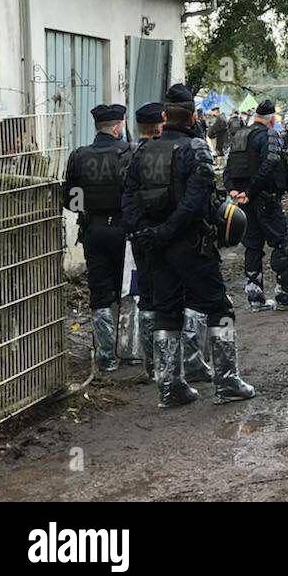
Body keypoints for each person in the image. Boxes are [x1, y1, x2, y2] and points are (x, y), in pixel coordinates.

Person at [122, 83, 255, 408]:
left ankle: (170, 387)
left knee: (167, 311)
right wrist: (168, 230)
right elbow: (197, 202)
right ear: (193, 115)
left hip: (156, 247)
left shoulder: (141, 151)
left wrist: (146, 232)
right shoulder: (196, 149)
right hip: (191, 245)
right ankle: (226, 383)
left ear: (165, 116)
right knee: (219, 308)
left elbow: (127, 198)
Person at [224, 99, 288, 312]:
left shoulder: (240, 135)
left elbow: (228, 168)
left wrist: (233, 191)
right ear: (272, 119)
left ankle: (256, 298)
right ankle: (285, 296)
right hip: (265, 199)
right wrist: (250, 190)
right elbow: (270, 162)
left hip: (244, 202)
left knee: (252, 246)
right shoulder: (269, 134)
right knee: (283, 243)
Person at [63, 104, 131, 372]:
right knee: (127, 288)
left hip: (94, 231)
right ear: (116, 127)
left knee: (100, 292)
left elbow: (70, 199)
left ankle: (105, 356)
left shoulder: (79, 156)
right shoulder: (127, 152)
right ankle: (129, 350)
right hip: (124, 231)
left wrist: (92, 209)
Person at [125, 102, 164, 380]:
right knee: (170, 296)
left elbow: (125, 198)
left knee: (145, 296)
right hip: (166, 235)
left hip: (139, 236)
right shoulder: (168, 153)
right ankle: (171, 365)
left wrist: (137, 229)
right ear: (160, 125)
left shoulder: (128, 154)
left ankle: (150, 365)